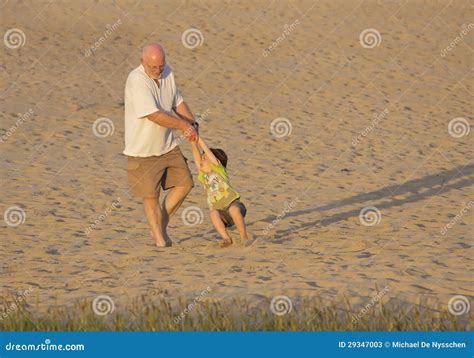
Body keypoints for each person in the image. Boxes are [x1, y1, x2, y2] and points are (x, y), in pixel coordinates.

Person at [123, 43, 198, 247]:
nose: (158, 71)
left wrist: (192, 123)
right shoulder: (136, 80)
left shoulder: (167, 73)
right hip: (142, 151)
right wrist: (183, 126)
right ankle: (159, 241)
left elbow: (177, 102)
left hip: (167, 146)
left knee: (185, 184)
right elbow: (154, 114)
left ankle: (159, 225)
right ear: (142, 62)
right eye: (153, 67)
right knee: (151, 196)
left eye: (161, 66)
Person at [191, 137, 248, 247]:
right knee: (213, 213)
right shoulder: (204, 177)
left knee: (234, 209)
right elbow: (196, 160)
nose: (201, 160)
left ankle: (243, 237)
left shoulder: (218, 170)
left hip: (235, 205)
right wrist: (193, 143)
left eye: (204, 158)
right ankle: (226, 238)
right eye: (202, 158)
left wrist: (199, 139)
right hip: (223, 214)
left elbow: (208, 153)